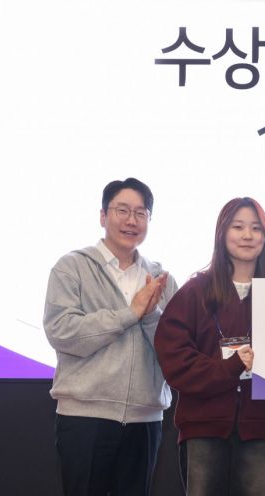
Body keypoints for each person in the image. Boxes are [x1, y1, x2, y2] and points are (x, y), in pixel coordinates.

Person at [154, 197, 265, 496]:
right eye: (238, 227)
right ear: (222, 233)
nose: (247, 235)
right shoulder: (195, 291)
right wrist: (231, 367)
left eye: (256, 228)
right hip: (203, 426)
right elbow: (175, 360)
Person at [43, 177, 176, 496]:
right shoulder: (72, 267)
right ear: (103, 216)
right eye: (122, 210)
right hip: (85, 415)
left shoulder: (161, 278)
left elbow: (173, 351)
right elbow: (62, 332)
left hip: (146, 418)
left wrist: (150, 315)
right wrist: (130, 313)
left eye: (141, 213)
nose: (132, 220)